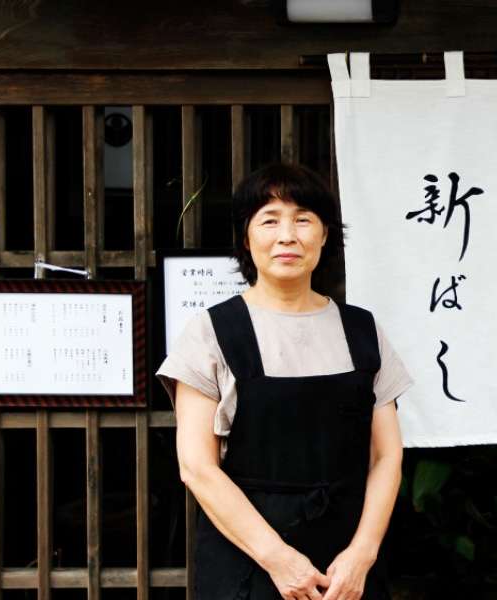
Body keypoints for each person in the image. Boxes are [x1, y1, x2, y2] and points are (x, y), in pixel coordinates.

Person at [157, 163, 412, 600]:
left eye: (304, 220)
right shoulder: (211, 331)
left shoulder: (362, 331)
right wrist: (279, 558)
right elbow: (196, 467)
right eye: (270, 220)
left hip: (346, 569)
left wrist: (362, 554)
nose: (287, 235)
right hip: (247, 563)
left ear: (325, 235)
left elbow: (386, 455)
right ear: (246, 237)